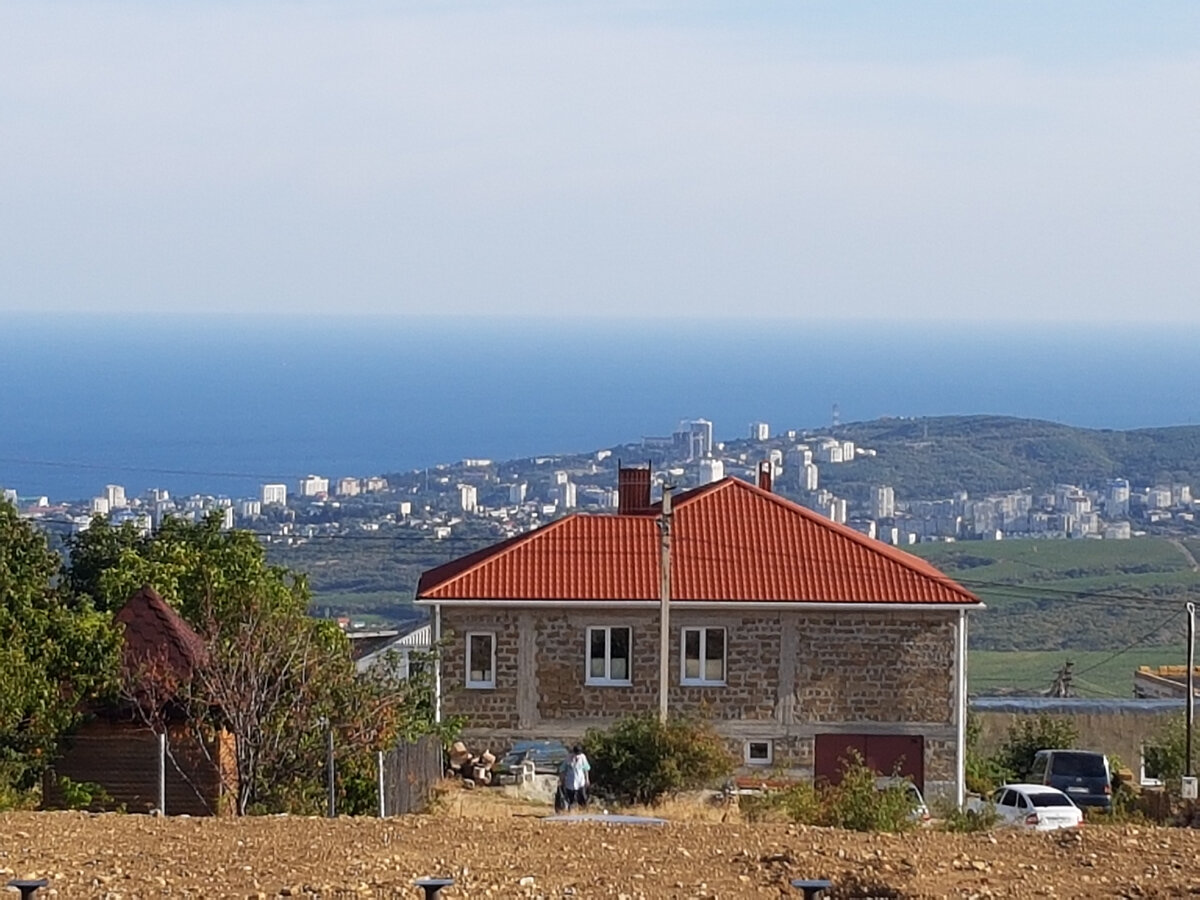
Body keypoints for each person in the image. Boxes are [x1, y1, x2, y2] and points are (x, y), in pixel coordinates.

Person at [556, 744, 590, 812]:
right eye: (576, 754)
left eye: (578, 754)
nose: (577, 755)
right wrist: (562, 780)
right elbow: (562, 769)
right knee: (570, 797)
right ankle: (570, 810)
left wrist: (587, 779)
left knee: (582, 796)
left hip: (580, 780)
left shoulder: (583, 757)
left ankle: (584, 810)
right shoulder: (568, 758)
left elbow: (586, 769)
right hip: (570, 780)